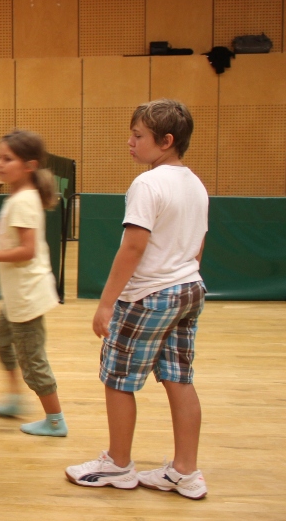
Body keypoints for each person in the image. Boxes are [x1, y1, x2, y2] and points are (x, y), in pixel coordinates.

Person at [66, 99, 208, 499]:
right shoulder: (195, 184)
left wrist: (107, 303)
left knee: (118, 378)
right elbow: (198, 244)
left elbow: (133, 247)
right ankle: (185, 472)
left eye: (138, 135)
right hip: (189, 288)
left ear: (166, 141)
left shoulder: (147, 184)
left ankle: (118, 464)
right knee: (179, 377)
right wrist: (181, 277)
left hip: (149, 295)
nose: (130, 142)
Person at [0, 129, 66, 437]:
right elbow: (12, 234)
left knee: (32, 362)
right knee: (0, 339)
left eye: (8, 159)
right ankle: (14, 399)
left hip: (26, 296)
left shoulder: (23, 200)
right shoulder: (20, 196)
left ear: (29, 165)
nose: (0, 164)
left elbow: (27, 250)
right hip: (16, 294)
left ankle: (55, 420)